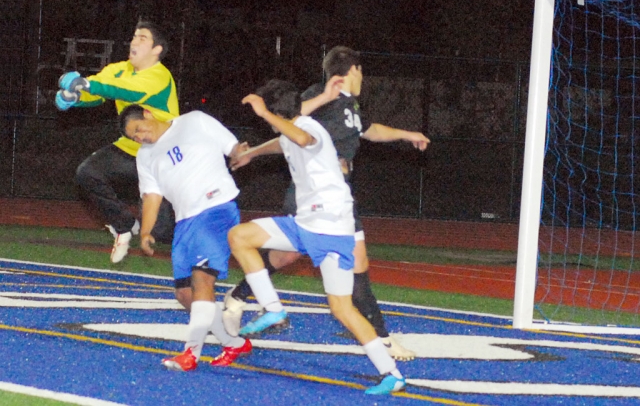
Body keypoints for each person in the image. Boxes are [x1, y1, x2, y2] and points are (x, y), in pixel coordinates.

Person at [223, 45, 430, 361]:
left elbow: (369, 130)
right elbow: (291, 126)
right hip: (314, 195)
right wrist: (253, 152)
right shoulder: (319, 96)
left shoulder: (351, 105)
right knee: (293, 257)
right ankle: (381, 343)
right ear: (353, 70)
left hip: (338, 197)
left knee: (297, 259)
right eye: (362, 71)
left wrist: (406, 134)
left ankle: (242, 297)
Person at [119, 104, 251, 370]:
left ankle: (191, 353)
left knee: (202, 281)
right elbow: (152, 195)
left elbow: (232, 147)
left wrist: (240, 152)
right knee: (184, 294)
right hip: (185, 222)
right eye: (134, 138)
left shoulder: (195, 121)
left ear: (147, 113)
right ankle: (235, 344)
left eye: (138, 130)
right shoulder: (145, 156)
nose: (140, 138)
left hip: (216, 209)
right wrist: (146, 231)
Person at [55, 21, 179, 264]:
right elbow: (100, 91)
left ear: (157, 50)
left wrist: (85, 84)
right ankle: (125, 225)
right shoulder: (118, 69)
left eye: (143, 38)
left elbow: (125, 91)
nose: (134, 41)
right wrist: (76, 96)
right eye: (134, 36)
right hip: (131, 147)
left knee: (161, 232)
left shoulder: (159, 76)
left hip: (163, 154)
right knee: (87, 173)